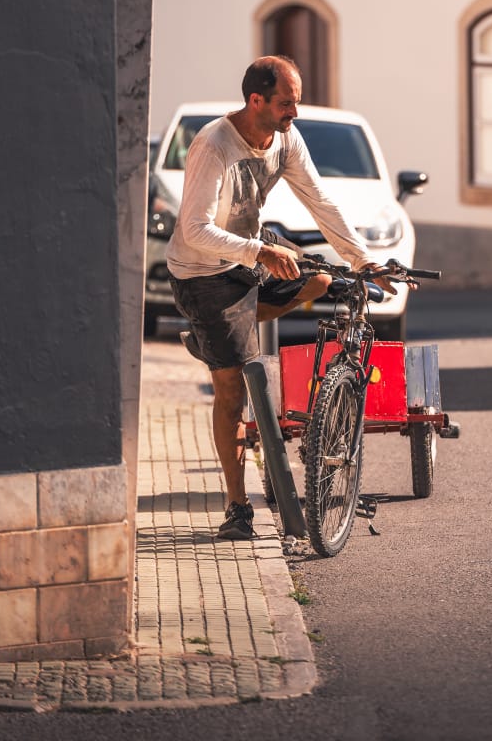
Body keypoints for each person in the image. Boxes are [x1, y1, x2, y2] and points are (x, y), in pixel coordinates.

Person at [166, 56, 392, 540]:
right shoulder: (214, 145)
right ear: (257, 101)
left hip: (249, 254)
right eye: (287, 102)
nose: (296, 111)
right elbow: (194, 229)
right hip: (203, 273)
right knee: (234, 386)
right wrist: (260, 251)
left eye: (297, 100)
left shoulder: (285, 137)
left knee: (322, 280)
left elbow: (319, 199)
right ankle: (236, 507)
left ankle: (221, 333)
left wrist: (361, 259)